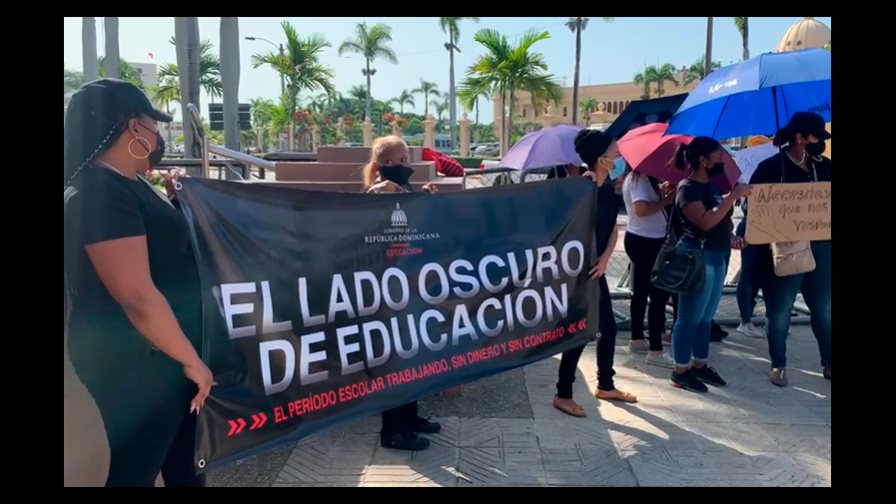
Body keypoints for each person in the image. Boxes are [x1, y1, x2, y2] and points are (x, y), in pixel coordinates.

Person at [63, 79, 213, 486]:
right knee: (135, 470)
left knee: (187, 466)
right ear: (134, 127)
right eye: (154, 124)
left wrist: (178, 200)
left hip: (161, 353)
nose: (158, 134)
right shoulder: (101, 195)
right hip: (137, 361)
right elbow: (137, 297)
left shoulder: (126, 184)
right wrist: (191, 361)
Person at [361, 136, 441, 450]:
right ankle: (392, 430)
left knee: (411, 355)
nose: (403, 165)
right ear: (382, 164)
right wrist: (376, 193)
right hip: (386, 288)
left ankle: (410, 417)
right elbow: (362, 224)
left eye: (405, 158)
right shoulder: (377, 192)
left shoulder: (404, 189)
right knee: (393, 361)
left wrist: (425, 199)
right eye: (396, 160)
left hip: (408, 285)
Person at [553, 130, 638, 418]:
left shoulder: (608, 191)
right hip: (577, 274)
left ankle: (606, 385)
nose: (618, 154)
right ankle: (563, 394)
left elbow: (613, 230)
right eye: (614, 150)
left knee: (607, 329)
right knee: (579, 331)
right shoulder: (581, 191)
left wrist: (604, 260)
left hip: (596, 271)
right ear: (601, 158)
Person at [749, 112, 831, 387]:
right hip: (783, 249)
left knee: (823, 308)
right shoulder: (771, 168)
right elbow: (753, 209)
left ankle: (829, 361)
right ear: (799, 138)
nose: (820, 142)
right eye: (816, 137)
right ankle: (778, 365)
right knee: (780, 309)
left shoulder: (825, 167)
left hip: (822, 248)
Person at [668, 137, 751, 393]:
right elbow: (704, 221)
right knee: (689, 317)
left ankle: (699, 363)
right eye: (719, 157)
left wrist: (731, 237)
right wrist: (732, 197)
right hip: (697, 258)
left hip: (716, 255)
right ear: (704, 160)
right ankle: (680, 370)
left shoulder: (712, 187)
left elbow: (719, 221)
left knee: (706, 317)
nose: (722, 161)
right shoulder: (687, 188)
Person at [622, 170, 676, 368]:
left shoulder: (639, 178)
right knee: (658, 294)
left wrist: (661, 192)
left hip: (644, 238)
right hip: (646, 241)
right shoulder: (641, 178)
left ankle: (638, 337)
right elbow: (641, 209)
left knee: (641, 291)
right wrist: (667, 200)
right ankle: (655, 349)